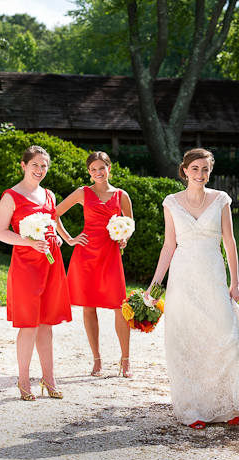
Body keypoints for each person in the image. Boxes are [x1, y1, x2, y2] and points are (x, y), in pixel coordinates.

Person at [147, 148, 239, 429]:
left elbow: (229, 242)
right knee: (189, 341)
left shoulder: (220, 200)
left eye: (205, 169)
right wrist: (155, 286)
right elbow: (169, 245)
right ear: (185, 170)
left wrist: (235, 281)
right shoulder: (171, 202)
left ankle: (232, 405)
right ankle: (194, 409)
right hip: (183, 278)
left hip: (213, 274)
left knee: (223, 335)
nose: (200, 174)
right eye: (195, 169)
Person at [0, 145, 72, 401]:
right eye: (35, 165)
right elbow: (0, 232)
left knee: (47, 324)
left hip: (51, 263)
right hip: (26, 266)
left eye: (44, 166)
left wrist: (57, 239)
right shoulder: (11, 196)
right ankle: (24, 379)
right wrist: (28, 242)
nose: (40, 170)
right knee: (29, 325)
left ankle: (49, 379)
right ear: (23, 165)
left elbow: (51, 225)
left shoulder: (49, 195)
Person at [55, 151, 134, 378]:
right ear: (89, 173)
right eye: (93, 169)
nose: (98, 172)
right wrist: (70, 239)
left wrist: (124, 238)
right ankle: (97, 361)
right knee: (89, 307)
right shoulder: (83, 193)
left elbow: (130, 223)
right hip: (86, 254)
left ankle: (125, 360)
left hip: (110, 254)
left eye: (102, 168)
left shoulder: (121, 195)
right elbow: (55, 213)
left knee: (120, 306)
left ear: (109, 168)